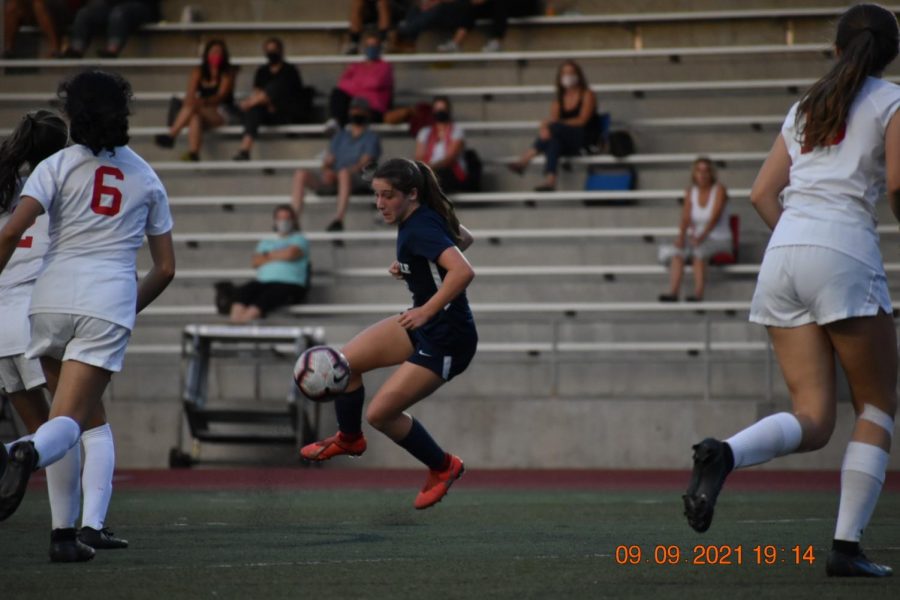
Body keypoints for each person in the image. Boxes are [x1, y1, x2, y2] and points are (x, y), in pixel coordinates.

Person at [682, 3, 899, 578]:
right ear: (891, 53)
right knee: (875, 405)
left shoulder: (805, 105)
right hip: (846, 249)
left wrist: (800, 245)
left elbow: (760, 194)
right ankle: (846, 548)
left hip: (783, 255)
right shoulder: (892, 99)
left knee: (814, 417)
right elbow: (898, 182)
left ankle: (724, 453)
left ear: (837, 48)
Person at [0, 70, 175, 556]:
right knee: (73, 423)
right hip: (106, 302)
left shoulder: (55, 165)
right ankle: (24, 453)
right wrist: (124, 310)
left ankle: (62, 537)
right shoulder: (145, 175)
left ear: (74, 114)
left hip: (49, 300)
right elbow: (166, 268)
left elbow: (12, 233)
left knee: (61, 416)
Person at [300, 158, 476, 511]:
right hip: (424, 325)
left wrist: (426, 309)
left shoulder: (421, 225)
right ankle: (350, 439)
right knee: (343, 364)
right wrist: (414, 268)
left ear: (412, 194)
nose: (380, 204)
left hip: (446, 337)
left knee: (380, 414)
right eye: (376, 195)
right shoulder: (419, 217)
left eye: (388, 196)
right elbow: (464, 239)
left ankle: (443, 466)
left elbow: (463, 271)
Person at [0, 109, 128, 562]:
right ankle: (81, 529)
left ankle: (64, 536)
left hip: (1, 327)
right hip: (38, 315)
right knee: (82, 426)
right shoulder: (61, 183)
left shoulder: (6, 186)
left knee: (47, 432)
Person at [292, 97, 382, 231]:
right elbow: (329, 159)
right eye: (354, 109)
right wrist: (326, 171)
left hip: (358, 180)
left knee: (343, 173)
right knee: (301, 174)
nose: (356, 113)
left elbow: (364, 164)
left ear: (367, 113)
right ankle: (294, 220)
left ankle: (338, 220)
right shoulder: (341, 136)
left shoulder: (371, 138)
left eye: (359, 110)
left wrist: (337, 174)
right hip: (335, 178)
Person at [508, 60, 598, 191]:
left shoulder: (587, 94)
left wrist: (550, 125)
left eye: (571, 73)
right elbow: (553, 122)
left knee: (555, 128)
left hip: (584, 137)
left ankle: (525, 159)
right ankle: (550, 181)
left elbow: (582, 120)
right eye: (565, 73)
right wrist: (544, 127)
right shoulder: (558, 100)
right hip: (566, 141)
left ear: (578, 75)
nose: (568, 76)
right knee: (553, 141)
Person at [657, 158, 730, 302]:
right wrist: (680, 238)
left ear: (711, 173)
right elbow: (685, 218)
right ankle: (673, 292)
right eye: (699, 171)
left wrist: (700, 238)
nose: (702, 174)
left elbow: (714, 218)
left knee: (699, 252)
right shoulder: (691, 191)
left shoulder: (719, 190)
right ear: (694, 174)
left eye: (706, 171)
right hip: (697, 239)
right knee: (677, 253)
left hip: (719, 239)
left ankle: (698, 294)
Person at [154, 39, 236, 162]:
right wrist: (197, 102)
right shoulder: (199, 71)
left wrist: (202, 102)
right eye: (213, 52)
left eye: (219, 52)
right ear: (207, 53)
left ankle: (172, 135)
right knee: (194, 115)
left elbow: (221, 96)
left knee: (194, 106)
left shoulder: (227, 73)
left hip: (220, 112)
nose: (216, 55)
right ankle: (193, 153)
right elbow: (190, 93)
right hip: (201, 110)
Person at [228, 205, 309, 324]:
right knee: (242, 292)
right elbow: (255, 261)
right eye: (280, 218)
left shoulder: (299, 239)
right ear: (275, 220)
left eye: (287, 218)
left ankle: (242, 323)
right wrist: (279, 255)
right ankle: (235, 321)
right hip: (264, 282)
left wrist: (266, 256)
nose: (283, 222)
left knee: (267, 297)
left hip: (290, 283)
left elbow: (291, 254)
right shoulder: (265, 241)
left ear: (293, 220)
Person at [233, 37, 305, 161]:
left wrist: (264, 101)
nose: (271, 53)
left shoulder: (290, 70)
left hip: (286, 112)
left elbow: (290, 93)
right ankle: (245, 149)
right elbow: (257, 91)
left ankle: (249, 104)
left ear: (281, 51)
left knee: (276, 86)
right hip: (266, 111)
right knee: (254, 110)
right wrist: (266, 102)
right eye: (268, 50)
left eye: (274, 50)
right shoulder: (262, 71)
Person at [327, 32, 394, 131]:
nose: (371, 48)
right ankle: (336, 122)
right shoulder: (356, 66)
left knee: (356, 113)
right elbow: (342, 83)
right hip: (355, 104)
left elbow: (375, 82)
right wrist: (364, 84)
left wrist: (355, 82)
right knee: (338, 93)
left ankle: (341, 126)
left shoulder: (385, 66)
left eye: (374, 45)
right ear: (364, 48)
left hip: (374, 108)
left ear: (380, 48)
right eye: (369, 45)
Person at [62, 0, 160, 59]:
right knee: (84, 14)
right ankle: (76, 50)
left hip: (140, 5)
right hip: (111, 5)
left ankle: (112, 50)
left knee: (118, 14)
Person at [437, 0, 543, 53]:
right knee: (473, 6)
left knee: (499, 2)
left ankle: (497, 41)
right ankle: (456, 42)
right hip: (499, 6)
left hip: (525, 4)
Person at [414, 96, 471, 192]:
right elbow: (419, 156)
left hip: (450, 172)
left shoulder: (456, 131)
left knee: (439, 175)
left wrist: (430, 167)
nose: (440, 112)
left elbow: (450, 159)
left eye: (443, 109)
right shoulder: (425, 132)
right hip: (429, 170)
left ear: (448, 111)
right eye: (437, 109)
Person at [3, 0, 82, 58]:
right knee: (12, 5)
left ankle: (55, 49)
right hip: (33, 7)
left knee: (38, 3)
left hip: (61, 6)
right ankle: (8, 50)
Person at [395, 0, 470, 47]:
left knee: (436, 9)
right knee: (416, 7)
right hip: (435, 5)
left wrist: (435, 2)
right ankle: (408, 36)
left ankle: (407, 29)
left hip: (454, 8)